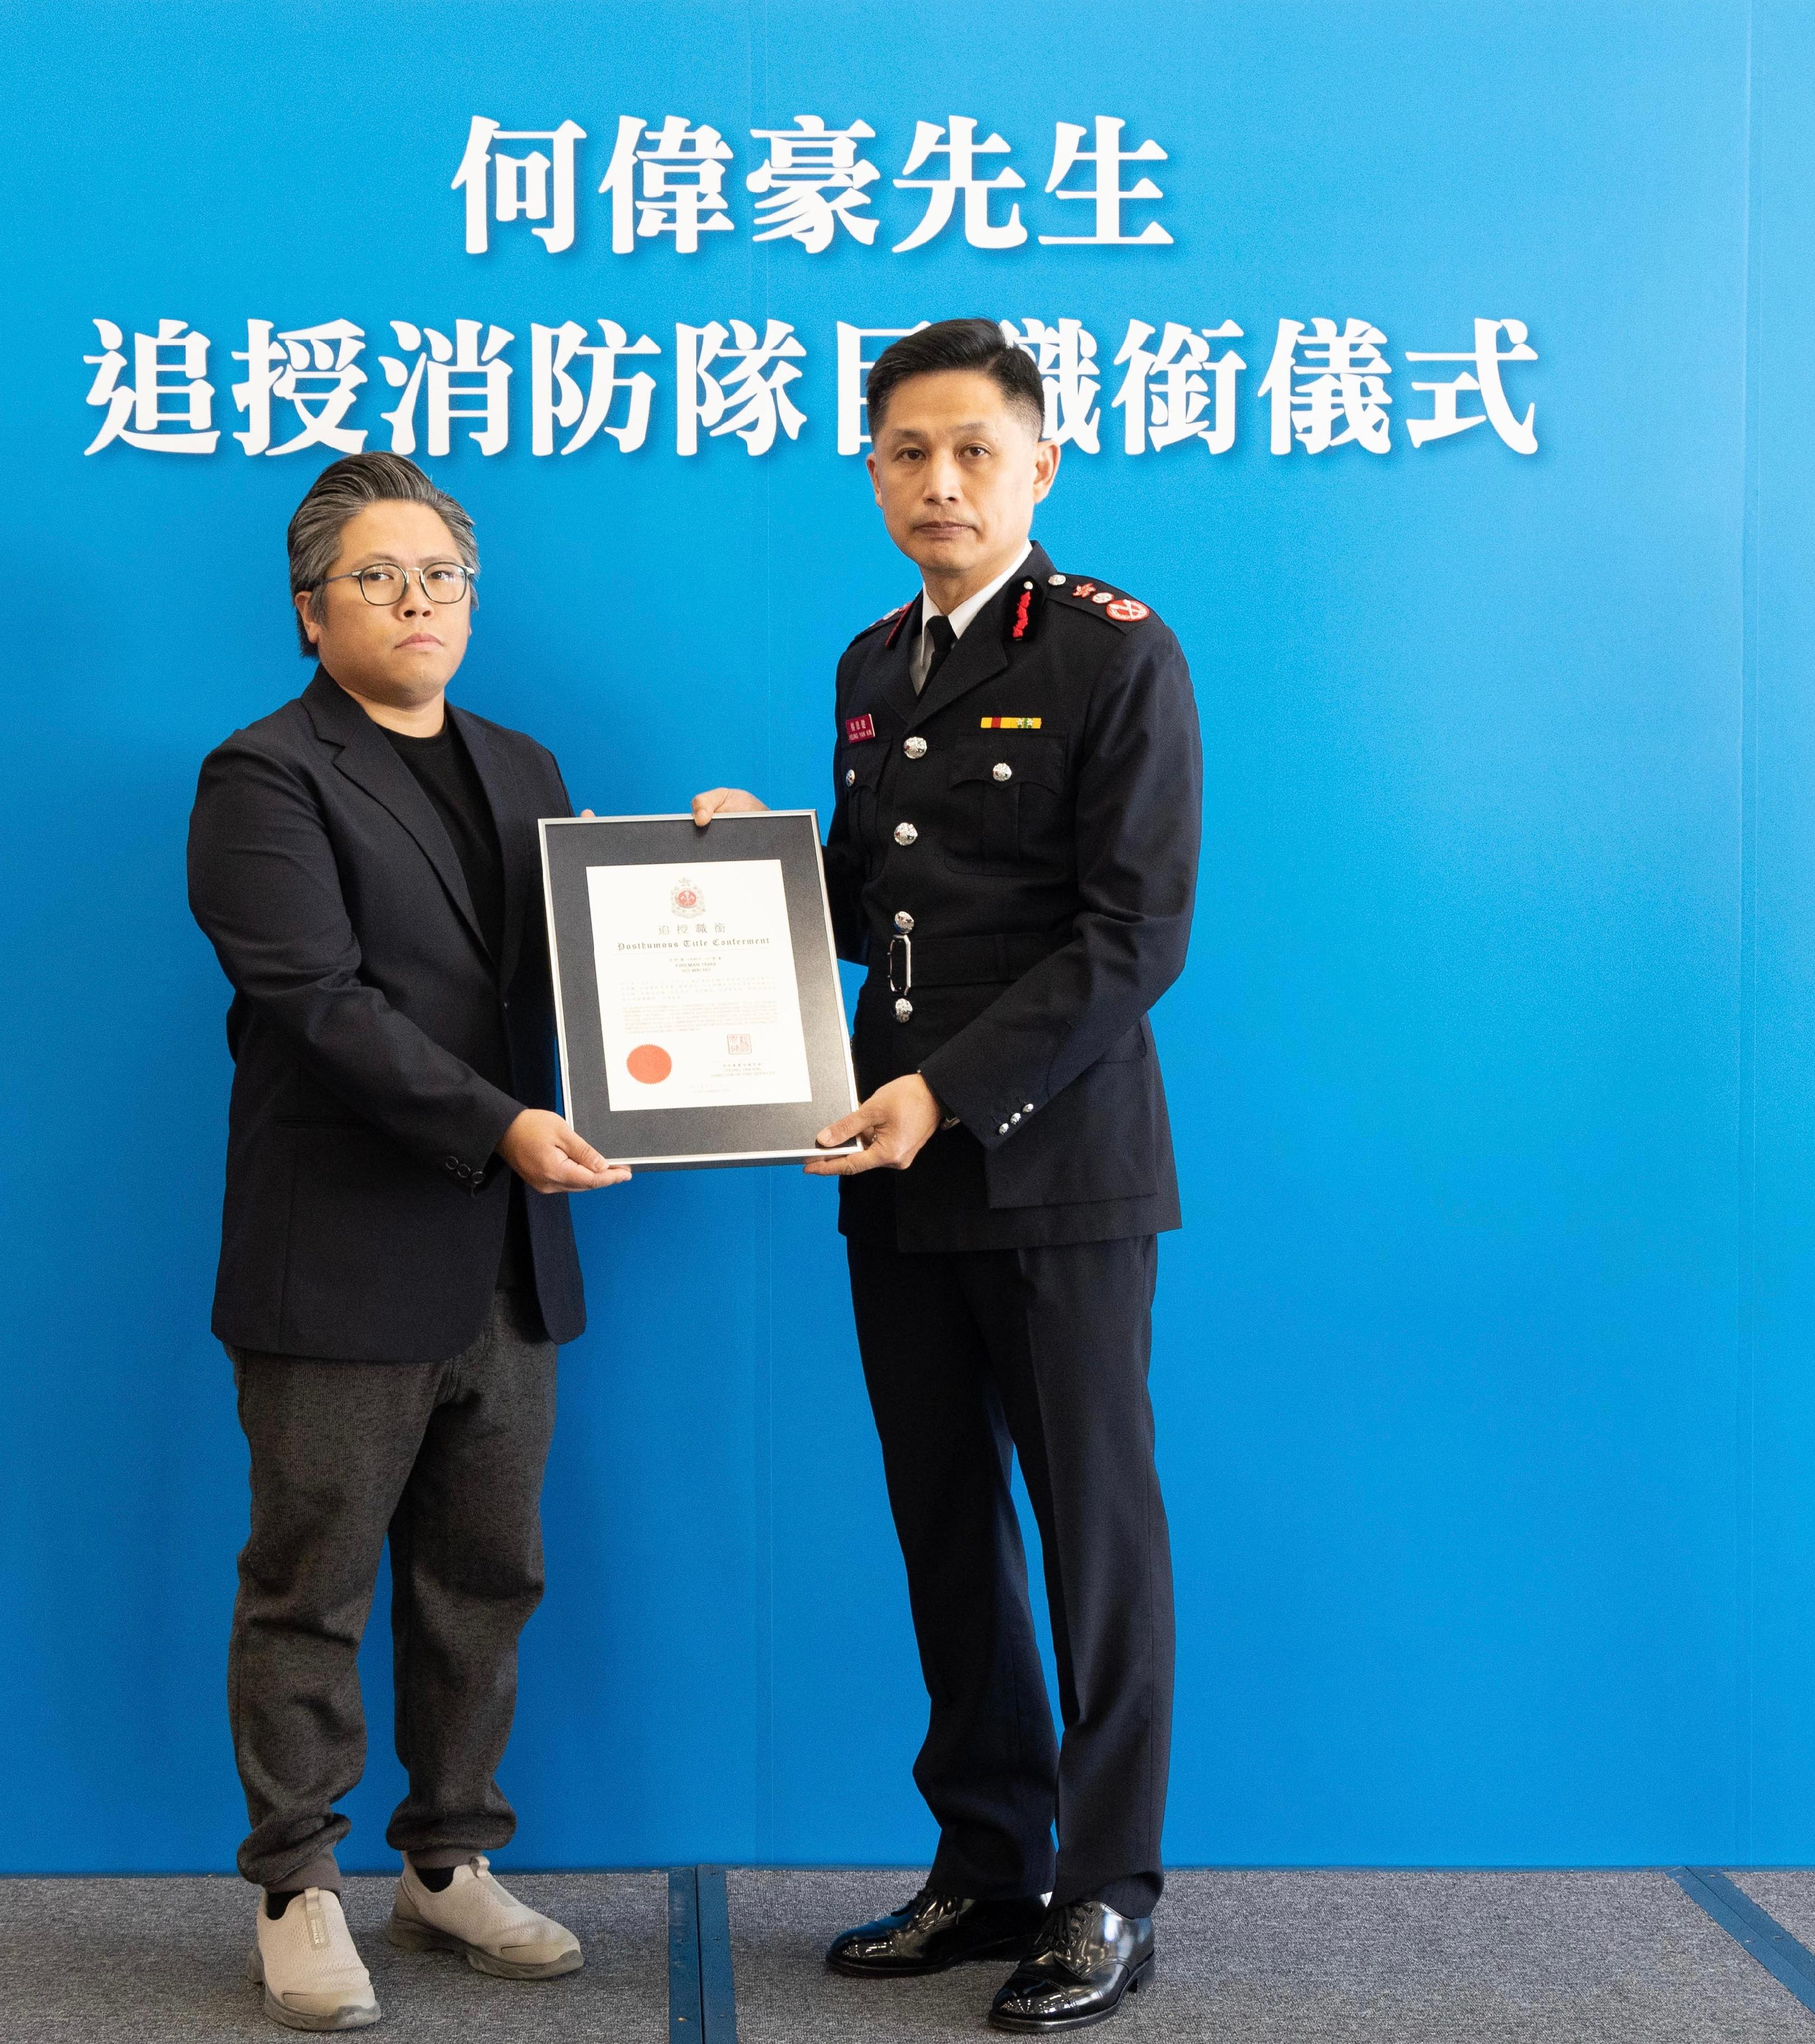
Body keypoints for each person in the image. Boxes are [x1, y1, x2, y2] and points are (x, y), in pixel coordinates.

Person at [692, 319, 1201, 2034]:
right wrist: (741, 869)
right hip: (891, 1173)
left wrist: (941, 1096)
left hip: (1053, 1170)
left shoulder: (1119, 654)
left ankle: (1106, 1895)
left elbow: (1132, 939)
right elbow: (868, 900)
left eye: (976, 449)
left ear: (1042, 464)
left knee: (1094, 1539)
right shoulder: (870, 661)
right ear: (873, 473)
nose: (941, 482)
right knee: (944, 1531)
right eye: (907, 452)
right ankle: (987, 1862)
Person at [187, 451, 629, 2033]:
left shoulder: (528, 765)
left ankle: (448, 1860)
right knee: (311, 1584)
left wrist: (711, 887)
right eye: (379, 578)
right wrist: (502, 1125)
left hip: (508, 1261)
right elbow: (320, 1008)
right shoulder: (264, 776)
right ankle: (298, 1883)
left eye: (441, 575)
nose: (418, 602)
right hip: (344, 1261)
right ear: (312, 611)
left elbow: (593, 979)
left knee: (483, 1578)